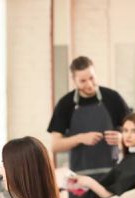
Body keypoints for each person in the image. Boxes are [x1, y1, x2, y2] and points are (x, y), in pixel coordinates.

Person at [47, 56, 130, 190]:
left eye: (91, 78)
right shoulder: (65, 104)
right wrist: (80, 138)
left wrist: (122, 138)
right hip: (79, 180)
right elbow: (55, 146)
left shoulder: (113, 98)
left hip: (111, 175)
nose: (89, 84)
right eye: (83, 81)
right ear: (74, 80)